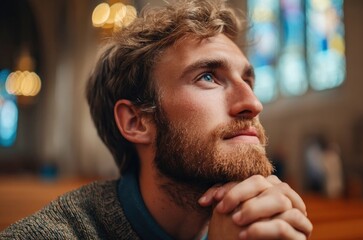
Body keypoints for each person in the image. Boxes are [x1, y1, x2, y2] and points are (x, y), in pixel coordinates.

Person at [1, 0, 312, 239]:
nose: (252, 104)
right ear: (136, 121)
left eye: (249, 81)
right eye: (208, 77)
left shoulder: (262, 224)